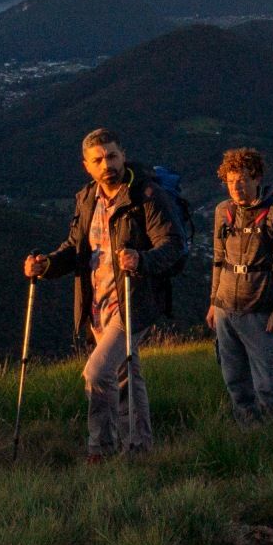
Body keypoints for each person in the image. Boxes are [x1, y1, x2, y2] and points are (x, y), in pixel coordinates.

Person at [24, 127, 188, 460]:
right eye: (98, 160)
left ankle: (101, 448)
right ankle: (140, 449)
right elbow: (76, 248)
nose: (106, 164)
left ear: (122, 155)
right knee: (126, 376)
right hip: (96, 303)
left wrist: (141, 260)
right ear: (87, 165)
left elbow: (174, 246)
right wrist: (47, 265)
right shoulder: (86, 198)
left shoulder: (147, 196)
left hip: (133, 301)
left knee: (97, 373)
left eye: (111, 156)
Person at [207, 146, 273, 425]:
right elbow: (218, 259)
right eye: (231, 181)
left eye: (243, 179)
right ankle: (250, 434)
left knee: (269, 382)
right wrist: (213, 302)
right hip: (225, 310)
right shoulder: (223, 212)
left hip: (259, 310)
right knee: (235, 380)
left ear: (257, 178)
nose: (236, 187)